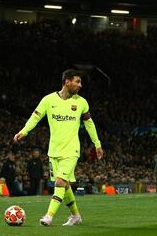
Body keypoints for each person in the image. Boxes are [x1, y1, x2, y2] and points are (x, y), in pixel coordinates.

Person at [14, 69, 103, 227]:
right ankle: (76, 216)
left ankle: (49, 216)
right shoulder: (48, 100)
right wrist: (24, 131)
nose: (80, 85)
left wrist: (97, 144)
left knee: (60, 182)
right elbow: (36, 116)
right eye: (77, 81)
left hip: (71, 151)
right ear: (67, 82)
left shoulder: (81, 102)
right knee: (65, 185)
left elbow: (89, 123)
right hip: (54, 151)